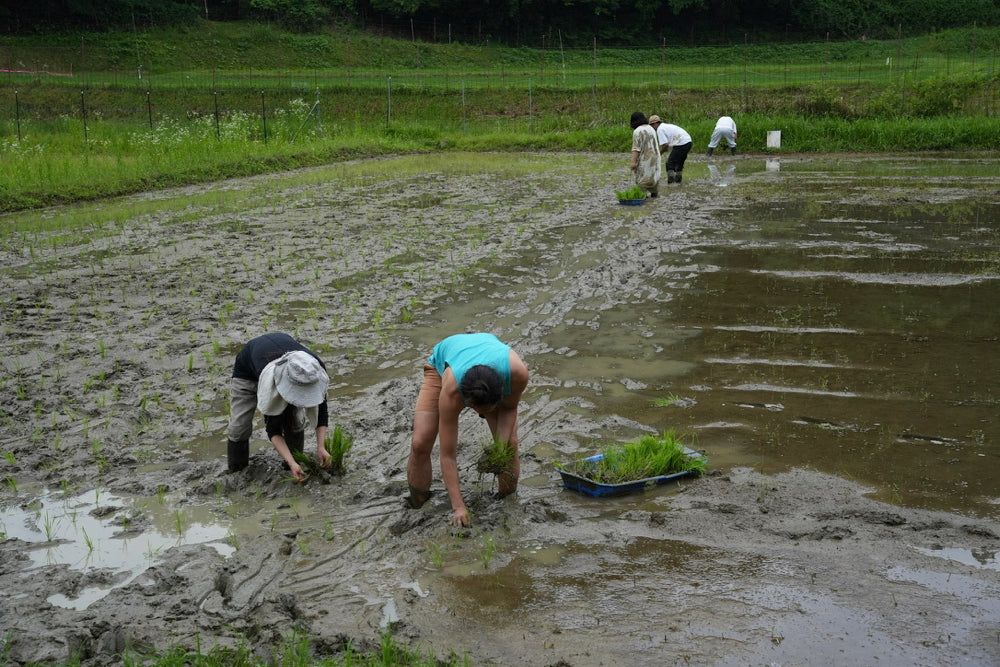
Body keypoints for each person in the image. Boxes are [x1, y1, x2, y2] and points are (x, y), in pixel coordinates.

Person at [406, 333, 529, 527]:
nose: (481, 415)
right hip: (444, 364)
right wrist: (459, 507)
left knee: (509, 446)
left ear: (500, 394)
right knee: (420, 443)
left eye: (487, 411)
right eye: (477, 410)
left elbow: (509, 409)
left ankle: (506, 501)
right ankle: (417, 503)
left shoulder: (517, 374)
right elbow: (447, 455)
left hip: (488, 359)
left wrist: (500, 449)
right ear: (466, 401)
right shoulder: (451, 391)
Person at [226, 332, 331, 483]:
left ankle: (292, 466)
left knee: (295, 420)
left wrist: (321, 447)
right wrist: (291, 462)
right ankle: (237, 472)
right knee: (239, 426)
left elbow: (322, 411)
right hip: (248, 371)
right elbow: (273, 429)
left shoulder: (315, 370)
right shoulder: (272, 385)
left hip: (281, 361)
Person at [649, 115, 693, 184]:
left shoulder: (660, 130)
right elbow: (667, 146)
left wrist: (659, 153)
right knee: (679, 162)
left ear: (655, 124)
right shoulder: (665, 126)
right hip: (688, 142)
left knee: (670, 163)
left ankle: (671, 182)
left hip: (681, 143)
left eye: (651, 126)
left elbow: (665, 145)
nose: (652, 128)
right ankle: (678, 181)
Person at [628, 111, 661, 198]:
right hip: (655, 157)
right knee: (653, 177)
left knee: (642, 179)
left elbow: (636, 149)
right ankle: (654, 197)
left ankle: (643, 197)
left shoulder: (637, 131)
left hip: (645, 158)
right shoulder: (651, 128)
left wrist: (633, 162)